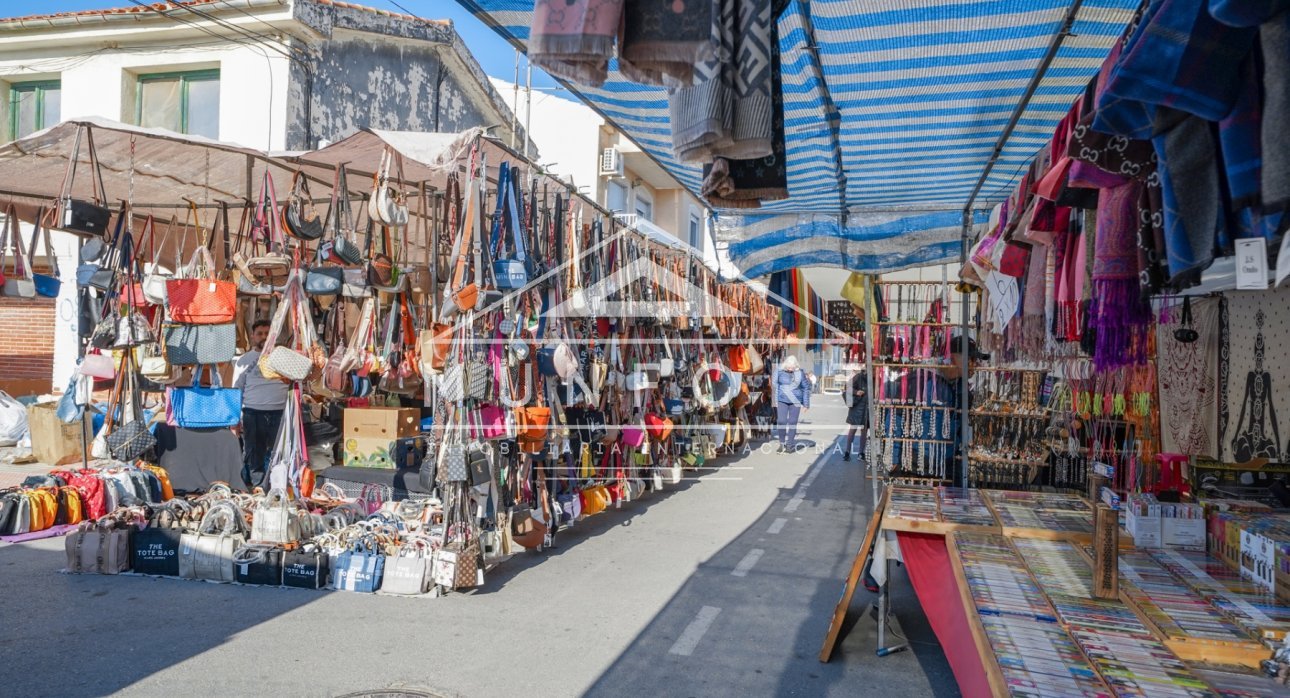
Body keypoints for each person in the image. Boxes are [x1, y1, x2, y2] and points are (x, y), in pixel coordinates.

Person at [232, 319, 289, 488]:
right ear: (252, 336)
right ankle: (257, 486)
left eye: (267, 333)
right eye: (260, 334)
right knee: (254, 453)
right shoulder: (244, 360)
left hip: (280, 411)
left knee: (279, 453)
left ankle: (276, 485)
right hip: (252, 412)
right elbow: (237, 389)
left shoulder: (283, 358)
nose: (264, 337)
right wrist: (235, 419)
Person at [773, 354, 811, 452]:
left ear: (796, 366)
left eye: (792, 368)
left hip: (795, 401)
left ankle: (789, 445)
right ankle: (782, 444)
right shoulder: (779, 371)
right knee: (781, 421)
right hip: (782, 399)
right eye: (789, 367)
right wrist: (775, 400)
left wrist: (806, 404)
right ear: (785, 365)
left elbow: (806, 387)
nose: (790, 369)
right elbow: (775, 385)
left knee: (792, 422)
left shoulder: (800, 373)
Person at [843, 371, 868, 461]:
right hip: (856, 408)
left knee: (864, 431)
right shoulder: (859, 376)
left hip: (867, 409)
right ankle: (847, 452)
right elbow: (847, 386)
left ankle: (861, 453)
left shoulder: (876, 379)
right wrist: (856, 392)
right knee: (852, 430)